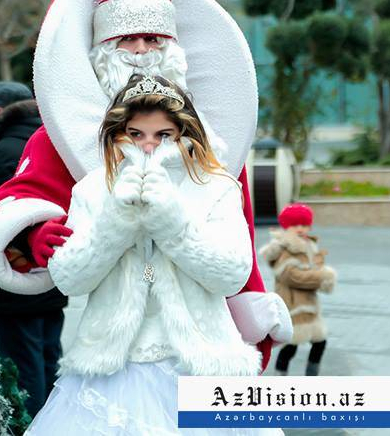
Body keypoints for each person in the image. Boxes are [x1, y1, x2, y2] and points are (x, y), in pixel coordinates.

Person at [0, 0, 292, 375]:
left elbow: (237, 234)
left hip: (201, 334)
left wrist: (248, 303)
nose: (141, 51)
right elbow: (18, 200)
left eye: (153, 39)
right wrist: (36, 233)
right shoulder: (63, 135)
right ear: (103, 48)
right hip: (114, 344)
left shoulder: (211, 139)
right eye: (127, 38)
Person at [26, 75, 281, 435]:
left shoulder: (216, 187)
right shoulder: (93, 189)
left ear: (183, 133)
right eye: (136, 134)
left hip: (200, 364)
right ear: (118, 133)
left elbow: (232, 274)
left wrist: (172, 222)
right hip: (111, 367)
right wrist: (116, 222)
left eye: (163, 135)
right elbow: (71, 279)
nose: (148, 146)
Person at [0, 84, 68, 418]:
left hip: (15, 278)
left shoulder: (7, 149)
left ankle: (31, 426)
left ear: (2, 111)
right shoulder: (49, 143)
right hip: (49, 274)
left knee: (21, 373)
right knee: (47, 360)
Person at [259, 203, 337, 376]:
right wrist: (321, 277)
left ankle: (311, 376)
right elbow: (291, 276)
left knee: (319, 341)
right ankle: (281, 375)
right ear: (287, 226)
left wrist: (323, 277)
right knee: (291, 345)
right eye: (295, 225)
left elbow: (315, 267)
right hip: (292, 305)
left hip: (308, 304)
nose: (300, 229)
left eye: (304, 225)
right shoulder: (287, 247)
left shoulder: (309, 245)